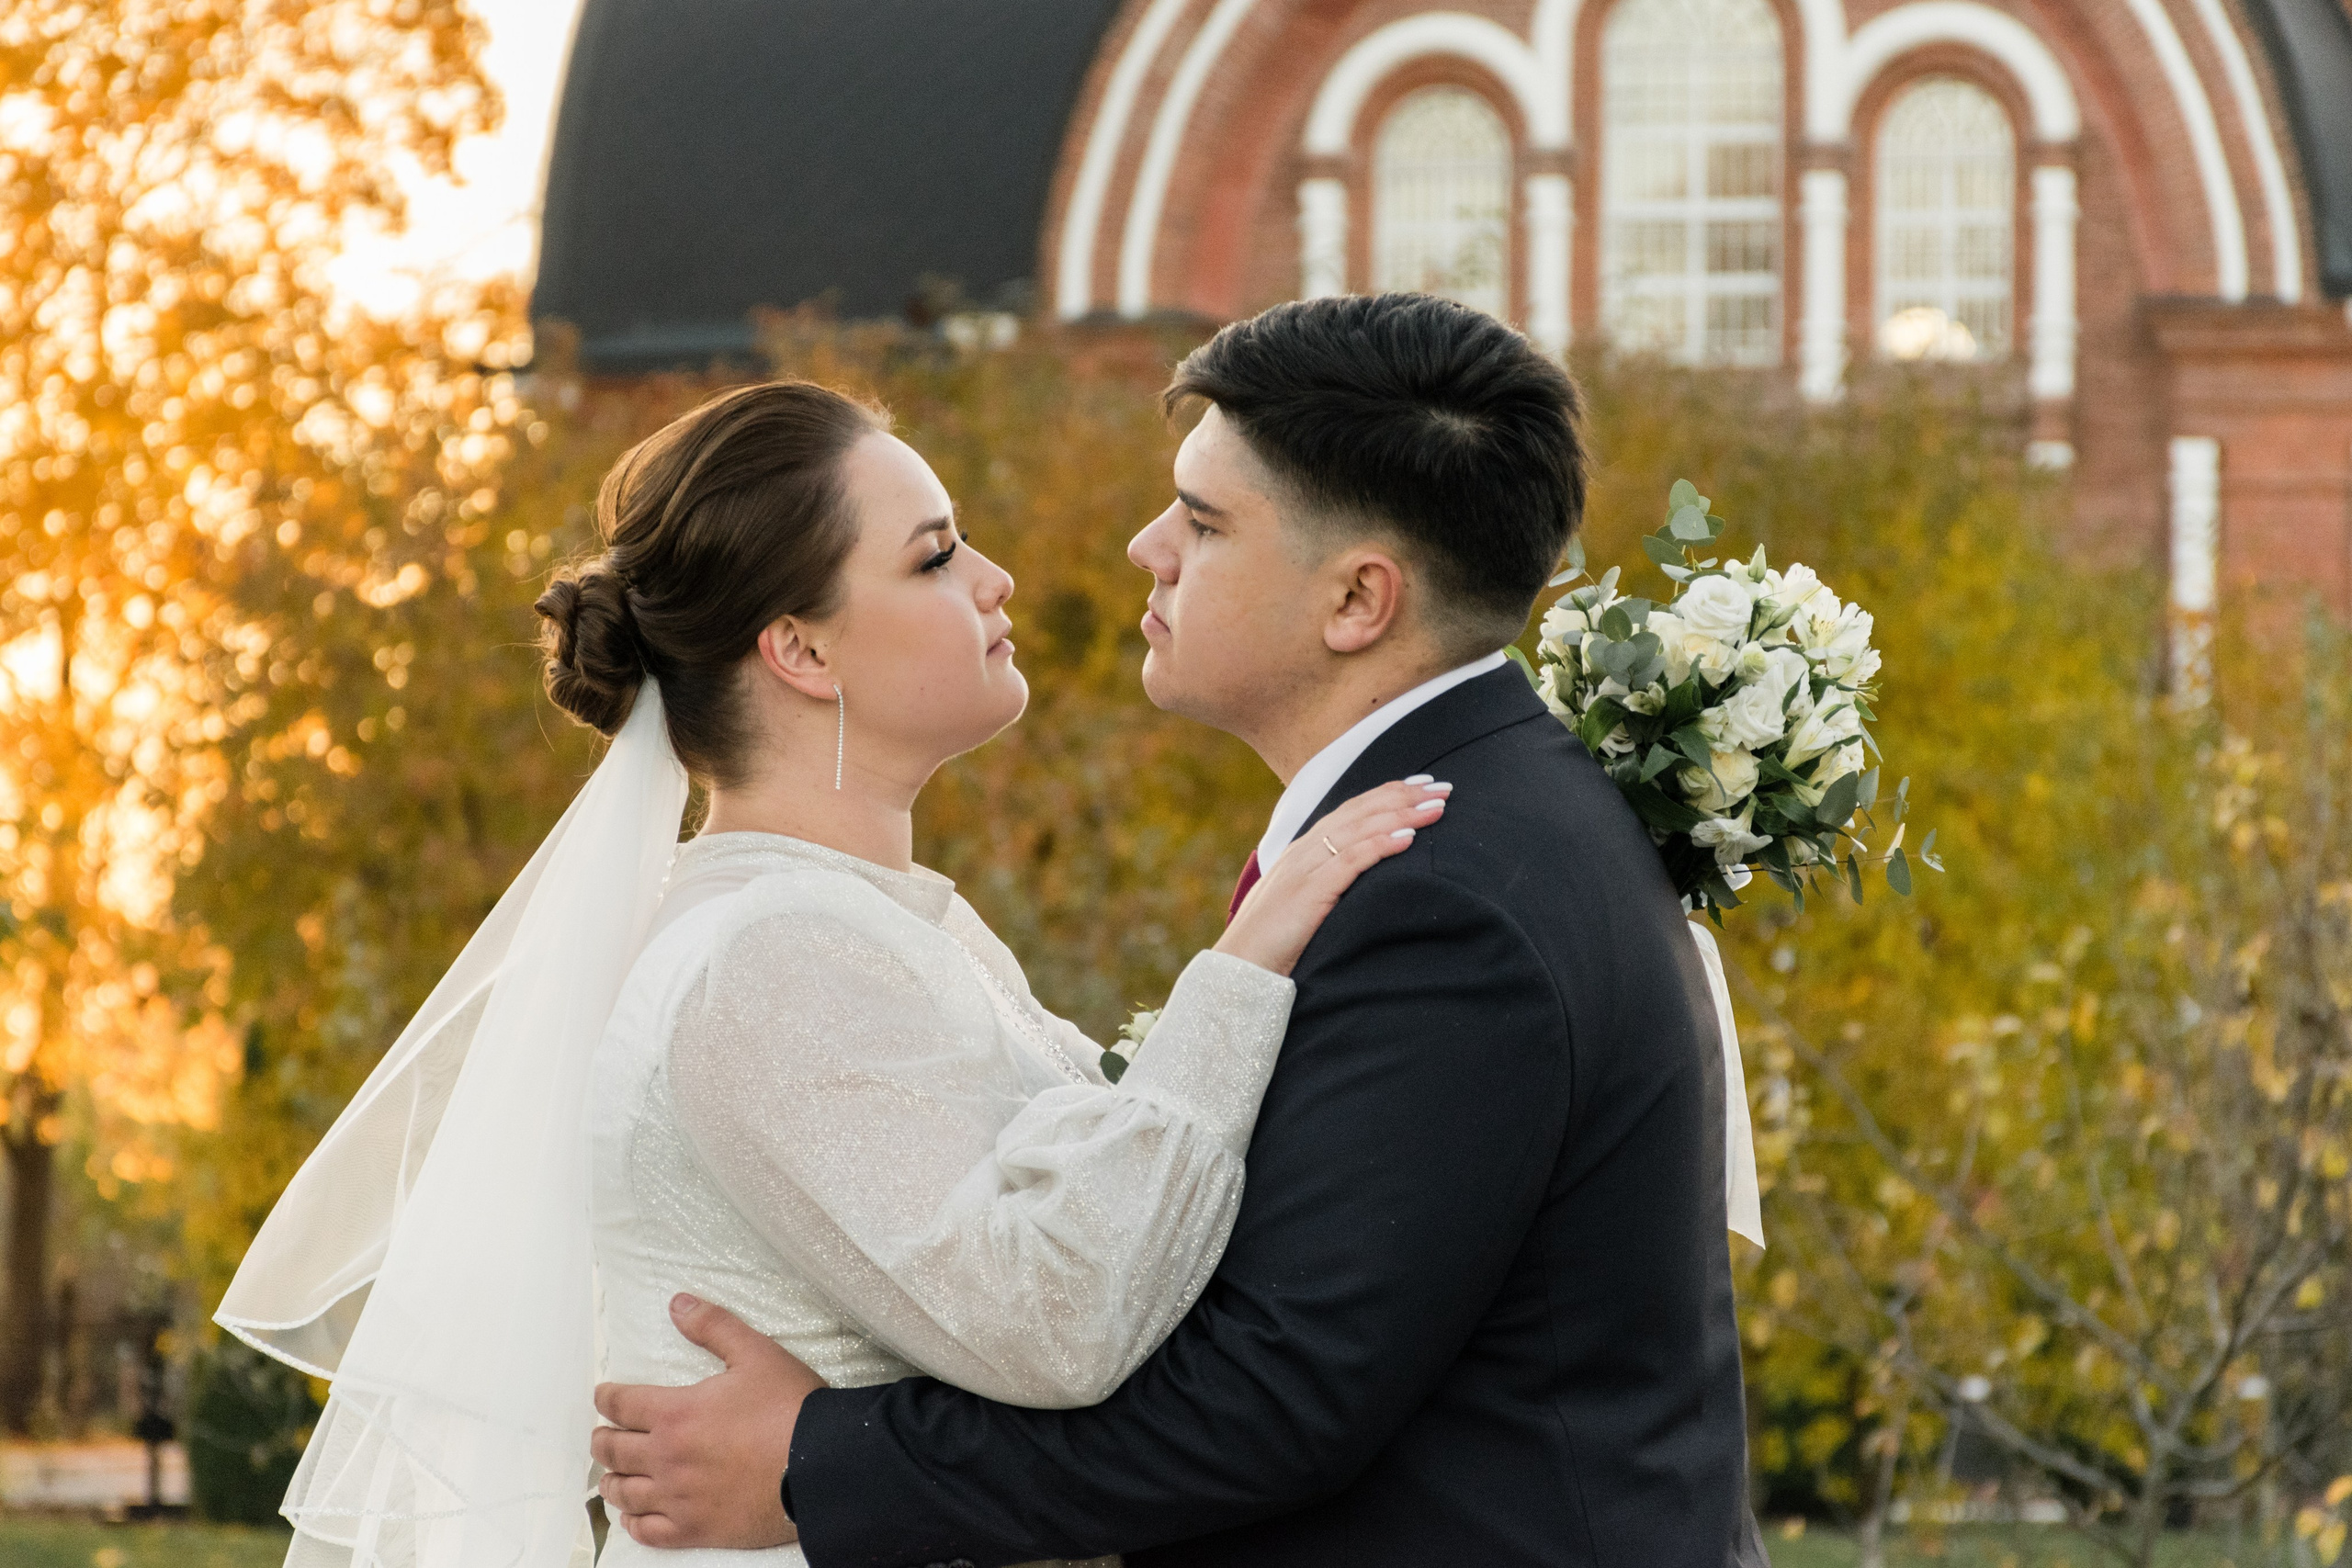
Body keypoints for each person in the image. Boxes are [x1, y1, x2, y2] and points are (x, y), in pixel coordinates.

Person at [592, 294, 1772, 1567]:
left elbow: (1265, 1397)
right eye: (936, 556)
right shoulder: (1450, 832)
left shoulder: (1443, 890)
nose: (1143, 547)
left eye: (1203, 522)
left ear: (1359, 599)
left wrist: (818, 1462)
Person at [213, 378, 1437, 1568]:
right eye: (934, 557)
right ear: (798, 648)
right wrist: (1241, 966)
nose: (995, 580)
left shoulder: (850, 923)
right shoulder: (775, 956)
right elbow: (1052, 1323)